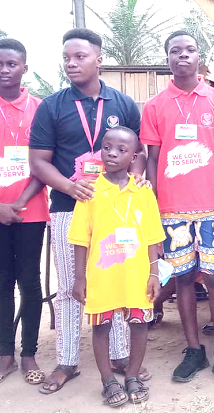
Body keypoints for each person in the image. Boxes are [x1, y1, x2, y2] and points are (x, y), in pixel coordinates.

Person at [29, 28, 148, 394]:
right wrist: (69, 186)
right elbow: (38, 162)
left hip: (120, 210)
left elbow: (139, 153)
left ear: (99, 59)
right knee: (71, 288)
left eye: (79, 56)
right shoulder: (53, 106)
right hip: (71, 207)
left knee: (119, 281)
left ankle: (119, 356)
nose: (71, 63)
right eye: (66, 57)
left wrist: (138, 179)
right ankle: (67, 360)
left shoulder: (123, 103)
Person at [140, 30, 214, 384]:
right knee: (184, 280)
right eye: (175, 51)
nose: (182, 55)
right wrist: (153, 206)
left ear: (200, 57)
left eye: (189, 50)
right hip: (171, 211)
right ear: (167, 59)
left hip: (210, 209)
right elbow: (151, 158)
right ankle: (193, 350)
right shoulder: (155, 106)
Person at [68, 127, 164, 407]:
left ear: (134, 156)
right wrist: (79, 278)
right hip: (102, 276)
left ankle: (133, 375)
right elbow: (79, 239)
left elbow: (153, 238)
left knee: (139, 323)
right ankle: (107, 380)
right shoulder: (89, 190)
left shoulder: (143, 192)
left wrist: (155, 273)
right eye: (107, 147)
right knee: (102, 326)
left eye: (121, 150)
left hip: (136, 275)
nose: (112, 153)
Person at [0, 39, 49, 386]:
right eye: (0, 64)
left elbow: (46, 161)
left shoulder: (40, 109)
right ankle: (5, 353)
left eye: (11, 64)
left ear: (24, 68)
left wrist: (19, 203)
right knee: (1, 283)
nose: (4, 70)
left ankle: (29, 351)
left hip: (31, 211)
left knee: (29, 282)